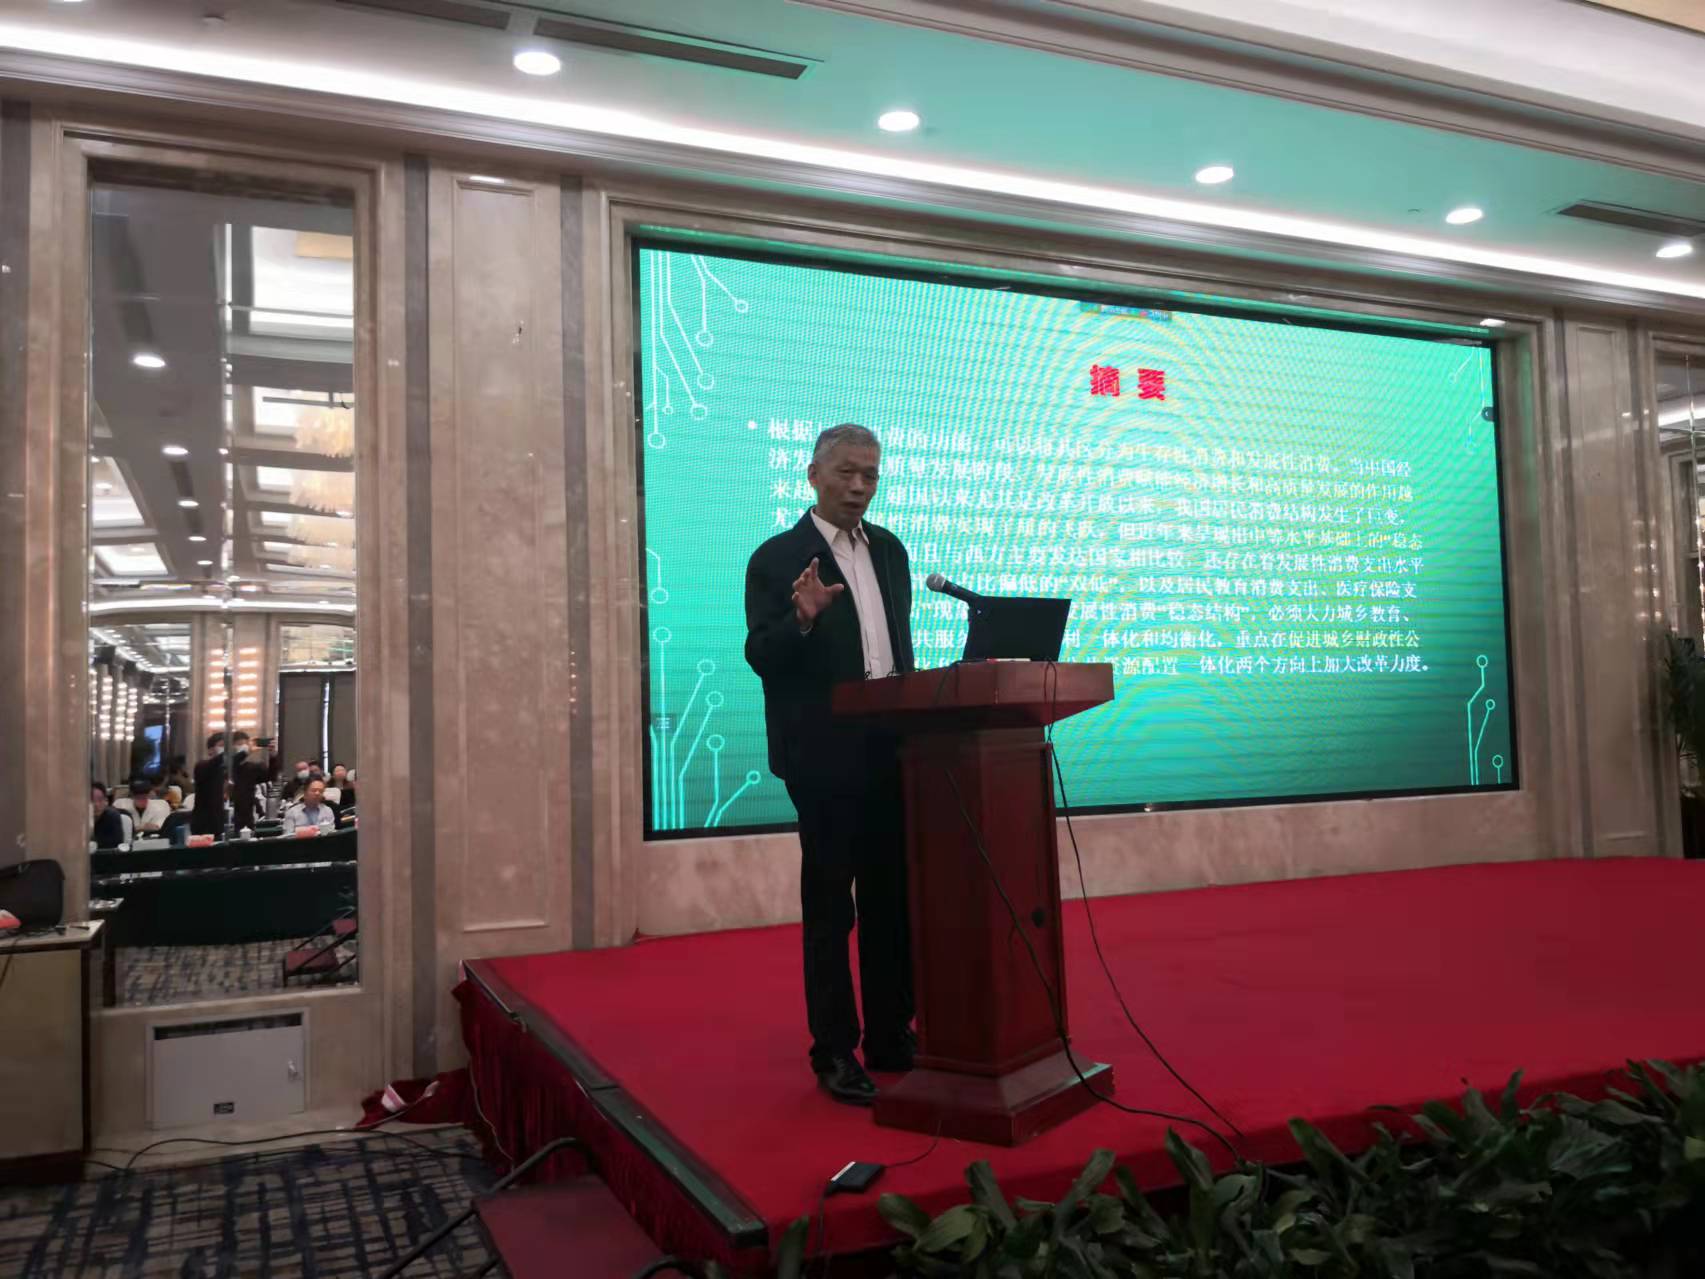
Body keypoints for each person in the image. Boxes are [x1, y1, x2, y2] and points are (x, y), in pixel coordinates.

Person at [743, 423, 916, 1107]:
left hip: (891, 747)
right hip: (822, 757)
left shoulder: (891, 551)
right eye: (846, 472)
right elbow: (762, 656)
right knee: (830, 907)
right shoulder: (779, 557)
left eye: (870, 475)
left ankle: (890, 1035)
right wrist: (803, 619)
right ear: (813, 474)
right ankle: (834, 1050)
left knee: (890, 899)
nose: (858, 486)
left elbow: (895, 649)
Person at [229, 732, 280, 831]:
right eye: (239, 744)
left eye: (245, 744)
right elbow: (233, 764)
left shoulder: (250, 767)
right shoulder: (227, 765)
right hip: (229, 814)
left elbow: (270, 776)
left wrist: (273, 757)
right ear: (232, 746)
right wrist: (245, 752)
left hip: (247, 816)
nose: (244, 747)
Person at [190, 732, 229, 837]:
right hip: (203, 823)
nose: (225, 749)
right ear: (210, 750)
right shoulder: (202, 766)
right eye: (221, 746)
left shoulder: (223, 770)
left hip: (218, 822)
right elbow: (214, 763)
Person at [90, 782, 126, 850]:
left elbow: (116, 843)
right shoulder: (77, 818)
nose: (96, 804)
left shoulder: (113, 817)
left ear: (106, 801)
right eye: (91, 800)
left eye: (100, 800)